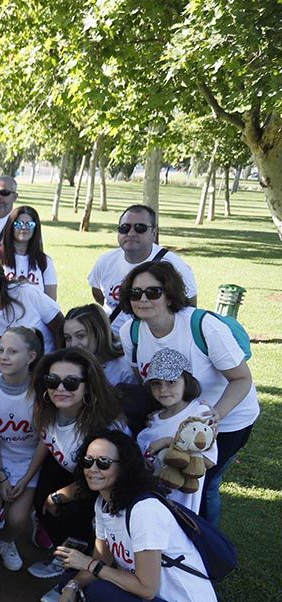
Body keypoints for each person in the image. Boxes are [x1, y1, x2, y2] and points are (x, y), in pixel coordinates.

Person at [51, 431, 222, 602]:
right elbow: (101, 559)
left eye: (103, 463)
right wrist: (72, 586)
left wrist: (88, 566)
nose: (92, 469)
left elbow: (145, 587)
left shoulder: (144, 511)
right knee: (76, 580)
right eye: (87, 461)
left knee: (98, 591)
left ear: (125, 467)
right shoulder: (104, 504)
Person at [116, 261, 258, 525]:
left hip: (227, 417)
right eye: (136, 293)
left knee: (204, 484)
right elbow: (146, 380)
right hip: (177, 418)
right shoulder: (131, 332)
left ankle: (208, 549)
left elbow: (241, 379)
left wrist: (216, 416)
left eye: (153, 292)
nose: (143, 299)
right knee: (167, 479)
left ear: (170, 294)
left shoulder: (202, 326)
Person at [28, 348, 126, 583]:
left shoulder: (103, 428)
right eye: (52, 381)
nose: (60, 388)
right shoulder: (50, 410)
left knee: (71, 511)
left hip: (106, 488)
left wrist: (58, 496)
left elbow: (101, 479)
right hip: (75, 474)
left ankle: (76, 578)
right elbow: (48, 443)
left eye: (71, 382)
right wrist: (27, 480)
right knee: (40, 495)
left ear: (88, 386)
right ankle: (65, 557)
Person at [0, 327, 45, 570]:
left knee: (17, 519)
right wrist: (1, 474)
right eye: (1, 350)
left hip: (30, 461)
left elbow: (45, 441)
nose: (3, 356)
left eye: (13, 351)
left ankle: (6, 541)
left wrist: (25, 479)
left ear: (31, 357)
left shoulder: (41, 394)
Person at [87, 204, 198, 333]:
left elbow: (189, 307)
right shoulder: (105, 261)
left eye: (140, 228)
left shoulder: (174, 266)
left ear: (154, 233)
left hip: (153, 342)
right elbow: (97, 292)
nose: (131, 233)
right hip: (112, 345)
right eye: (124, 228)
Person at [0, 250, 64, 385]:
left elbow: (62, 329)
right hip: (13, 382)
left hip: (51, 376)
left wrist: (59, 367)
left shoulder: (25, 292)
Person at [136, 348, 216, 515]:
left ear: (186, 381)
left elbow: (207, 461)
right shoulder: (152, 422)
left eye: (171, 382)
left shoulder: (199, 414)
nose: (163, 389)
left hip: (183, 509)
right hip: (152, 506)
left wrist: (167, 442)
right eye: (156, 383)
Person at [62, 304, 136, 386]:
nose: (73, 344)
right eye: (68, 338)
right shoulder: (64, 367)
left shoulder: (124, 369)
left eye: (80, 336)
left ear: (99, 334)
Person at [0, 204, 57, 300]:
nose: (24, 228)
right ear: (10, 226)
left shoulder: (45, 261)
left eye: (29, 224)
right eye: (19, 224)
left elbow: (51, 301)